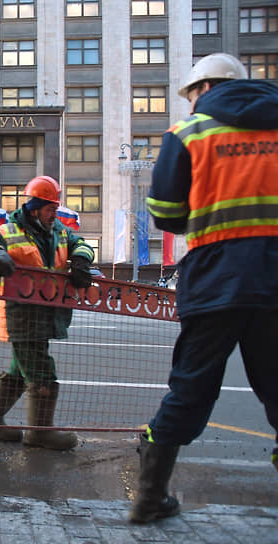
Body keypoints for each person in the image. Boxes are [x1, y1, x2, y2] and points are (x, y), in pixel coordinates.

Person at [132, 53, 278, 523]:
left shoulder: (188, 133)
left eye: (191, 94)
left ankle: (150, 498)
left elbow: (164, 212)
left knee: (190, 388)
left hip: (216, 277)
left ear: (204, 88)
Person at [0, 175, 95, 450]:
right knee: (41, 370)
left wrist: (81, 258)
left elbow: (81, 243)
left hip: (49, 312)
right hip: (23, 315)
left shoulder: (59, 231)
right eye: (50, 208)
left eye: (56, 208)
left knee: (20, 369)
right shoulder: (9, 230)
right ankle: (39, 433)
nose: (55, 213)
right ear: (35, 207)